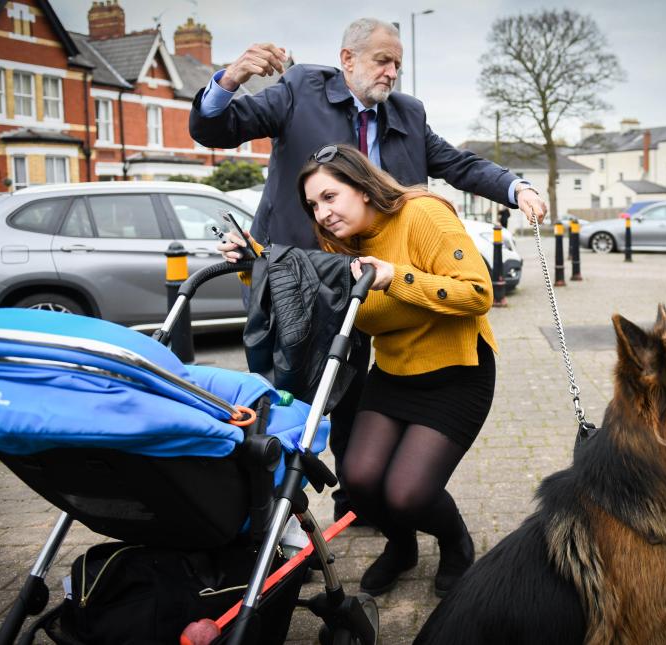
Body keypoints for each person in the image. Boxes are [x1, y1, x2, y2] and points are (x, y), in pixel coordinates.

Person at [191, 17, 546, 521]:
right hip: (300, 281)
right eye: (383, 60)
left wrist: (516, 188)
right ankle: (280, 517)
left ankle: (358, 503)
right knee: (295, 401)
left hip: (374, 282)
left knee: (358, 398)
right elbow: (215, 129)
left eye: (397, 63)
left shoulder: (408, 113)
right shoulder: (299, 90)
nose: (392, 72)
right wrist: (230, 79)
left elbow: (458, 164)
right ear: (348, 59)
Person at [220, 144, 496, 598]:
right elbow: (306, 282)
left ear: (363, 188)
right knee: (361, 480)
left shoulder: (422, 214)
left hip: (457, 371)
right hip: (394, 372)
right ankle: (402, 545)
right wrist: (255, 265)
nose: (322, 212)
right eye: (313, 205)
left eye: (330, 197)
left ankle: (454, 542)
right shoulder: (341, 244)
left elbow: (477, 293)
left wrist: (397, 276)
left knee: (408, 492)